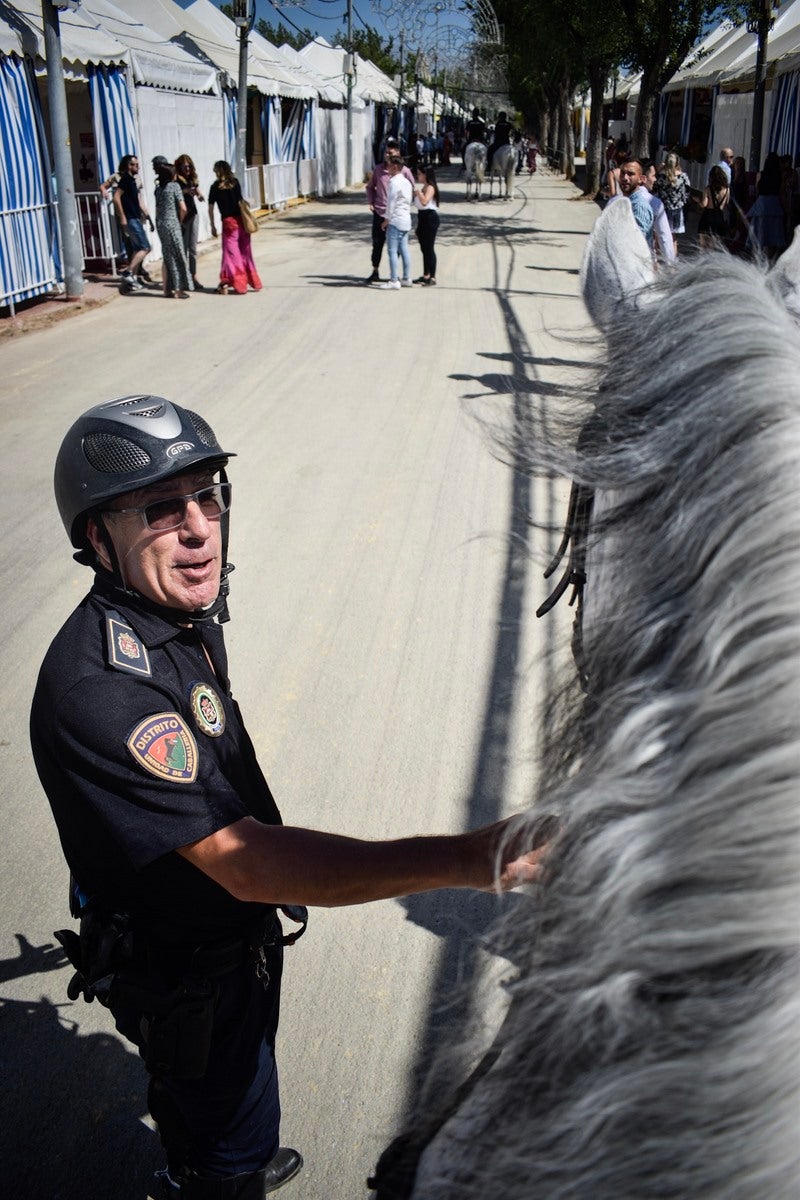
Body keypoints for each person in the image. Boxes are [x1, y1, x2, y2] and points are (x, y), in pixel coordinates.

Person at [30, 396, 547, 1200]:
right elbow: (247, 864)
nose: (201, 528)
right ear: (98, 538)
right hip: (186, 969)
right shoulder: (100, 692)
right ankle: (212, 1174)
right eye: (163, 509)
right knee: (222, 1131)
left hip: (231, 949)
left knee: (236, 1096)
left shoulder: (174, 610)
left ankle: (225, 1150)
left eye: (210, 495)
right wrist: (474, 856)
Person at [208, 160, 262, 295]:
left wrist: (212, 225)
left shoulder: (215, 187)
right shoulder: (235, 183)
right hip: (241, 221)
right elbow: (240, 201)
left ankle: (237, 283)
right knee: (245, 251)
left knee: (231, 254)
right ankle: (253, 280)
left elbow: (210, 207)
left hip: (228, 222)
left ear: (217, 171)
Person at [364, 142, 415, 285]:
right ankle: (375, 270)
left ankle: (395, 276)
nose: (387, 155)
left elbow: (411, 189)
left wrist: (405, 207)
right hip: (380, 212)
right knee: (377, 243)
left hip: (394, 216)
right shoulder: (379, 169)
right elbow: (370, 187)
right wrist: (371, 202)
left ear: (397, 154)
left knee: (396, 247)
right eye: (386, 152)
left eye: (391, 153)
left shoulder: (404, 171)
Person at [610, 157, 675, 264]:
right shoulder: (617, 201)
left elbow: (638, 244)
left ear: (641, 179)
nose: (625, 177)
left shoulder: (641, 205)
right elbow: (664, 238)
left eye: (630, 174)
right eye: (622, 173)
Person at [114, 154, 155, 291]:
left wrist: (148, 216)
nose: (137, 167)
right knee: (145, 248)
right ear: (128, 166)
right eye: (134, 164)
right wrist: (122, 217)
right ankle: (127, 272)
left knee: (137, 249)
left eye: (137, 164)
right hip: (131, 218)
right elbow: (116, 198)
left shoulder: (132, 181)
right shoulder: (125, 179)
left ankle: (133, 280)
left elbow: (138, 201)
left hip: (136, 218)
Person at [153, 160, 192, 300]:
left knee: (167, 256)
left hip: (161, 223)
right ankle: (178, 290)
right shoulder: (174, 187)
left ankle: (166, 290)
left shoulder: (158, 189)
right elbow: (183, 208)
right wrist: (180, 220)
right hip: (172, 222)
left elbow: (157, 209)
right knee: (178, 255)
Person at [379, 157, 414, 289]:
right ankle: (406, 277)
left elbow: (391, 202)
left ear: (395, 167)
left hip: (396, 220)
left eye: (389, 165)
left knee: (392, 250)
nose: (387, 168)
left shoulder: (394, 182)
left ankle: (394, 280)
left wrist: (386, 219)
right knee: (404, 249)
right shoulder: (407, 182)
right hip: (406, 219)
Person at [175, 153, 205, 292]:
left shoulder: (191, 177)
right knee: (183, 249)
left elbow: (196, 187)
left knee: (192, 249)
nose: (187, 168)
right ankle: (183, 277)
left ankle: (193, 276)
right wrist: (186, 191)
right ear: (179, 166)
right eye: (185, 166)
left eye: (189, 166)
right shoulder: (176, 179)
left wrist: (199, 194)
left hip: (193, 214)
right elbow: (175, 193)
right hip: (181, 216)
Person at [652, 151, 692, 256]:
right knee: (673, 238)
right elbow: (687, 193)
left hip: (663, 209)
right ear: (678, 163)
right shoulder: (683, 177)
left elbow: (654, 189)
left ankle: (660, 258)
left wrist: (659, 170)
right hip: (677, 210)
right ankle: (672, 261)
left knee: (660, 236)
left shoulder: (661, 177)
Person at [413, 164, 440, 286]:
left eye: (419, 173)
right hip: (422, 218)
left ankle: (433, 277)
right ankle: (426, 274)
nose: (418, 176)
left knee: (429, 248)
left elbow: (424, 202)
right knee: (424, 249)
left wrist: (418, 193)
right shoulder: (424, 187)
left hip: (430, 218)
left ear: (425, 174)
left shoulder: (430, 188)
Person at [698, 164, 730, 249]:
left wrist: (698, 201)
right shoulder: (727, 189)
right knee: (714, 246)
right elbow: (727, 203)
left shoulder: (707, 189)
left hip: (708, 216)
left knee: (703, 246)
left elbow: (704, 204)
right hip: (720, 217)